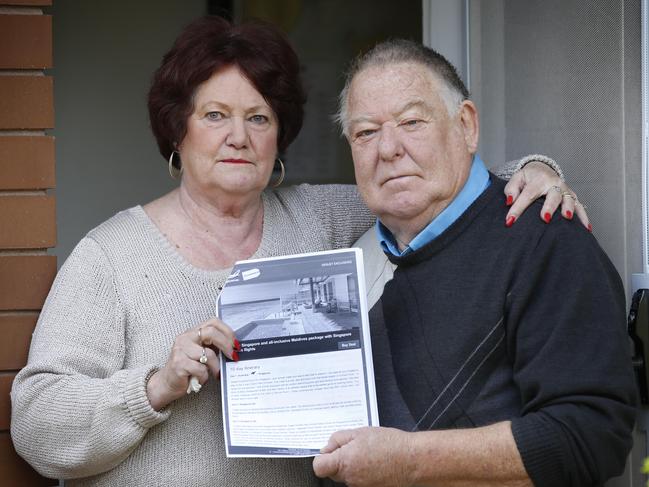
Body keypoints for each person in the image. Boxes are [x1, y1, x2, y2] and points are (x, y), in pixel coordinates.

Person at [11, 17, 583, 487]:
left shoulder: (318, 217)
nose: (239, 136)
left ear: (279, 138)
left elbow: (427, 183)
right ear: (176, 131)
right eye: (215, 115)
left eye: (258, 118)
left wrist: (533, 171)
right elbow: (37, 427)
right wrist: (153, 386)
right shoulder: (111, 257)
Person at [312, 39, 637, 487]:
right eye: (366, 132)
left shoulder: (545, 241)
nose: (387, 149)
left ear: (465, 126)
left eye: (411, 122)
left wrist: (409, 461)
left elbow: (591, 435)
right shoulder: (348, 267)